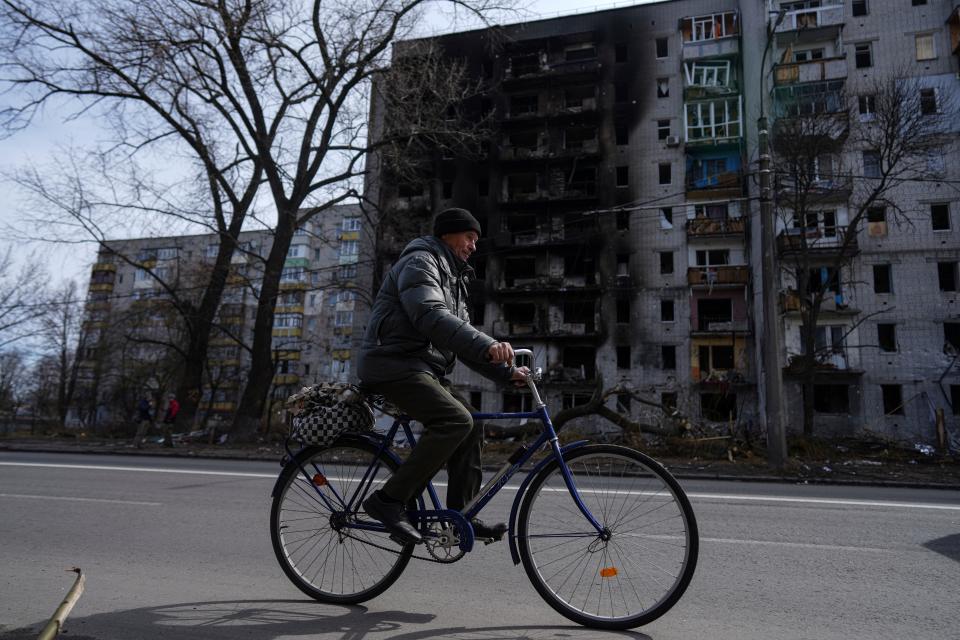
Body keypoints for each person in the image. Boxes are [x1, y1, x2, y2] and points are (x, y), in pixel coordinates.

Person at [358, 207, 529, 545]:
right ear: (447, 235)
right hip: (392, 364)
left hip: (421, 368)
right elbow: (430, 316)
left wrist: (507, 374)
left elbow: (461, 340)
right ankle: (388, 501)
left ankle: (461, 515)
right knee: (454, 420)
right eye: (469, 237)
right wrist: (490, 344)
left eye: (476, 240)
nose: (473, 246)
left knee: (472, 421)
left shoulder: (454, 280)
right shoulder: (420, 262)